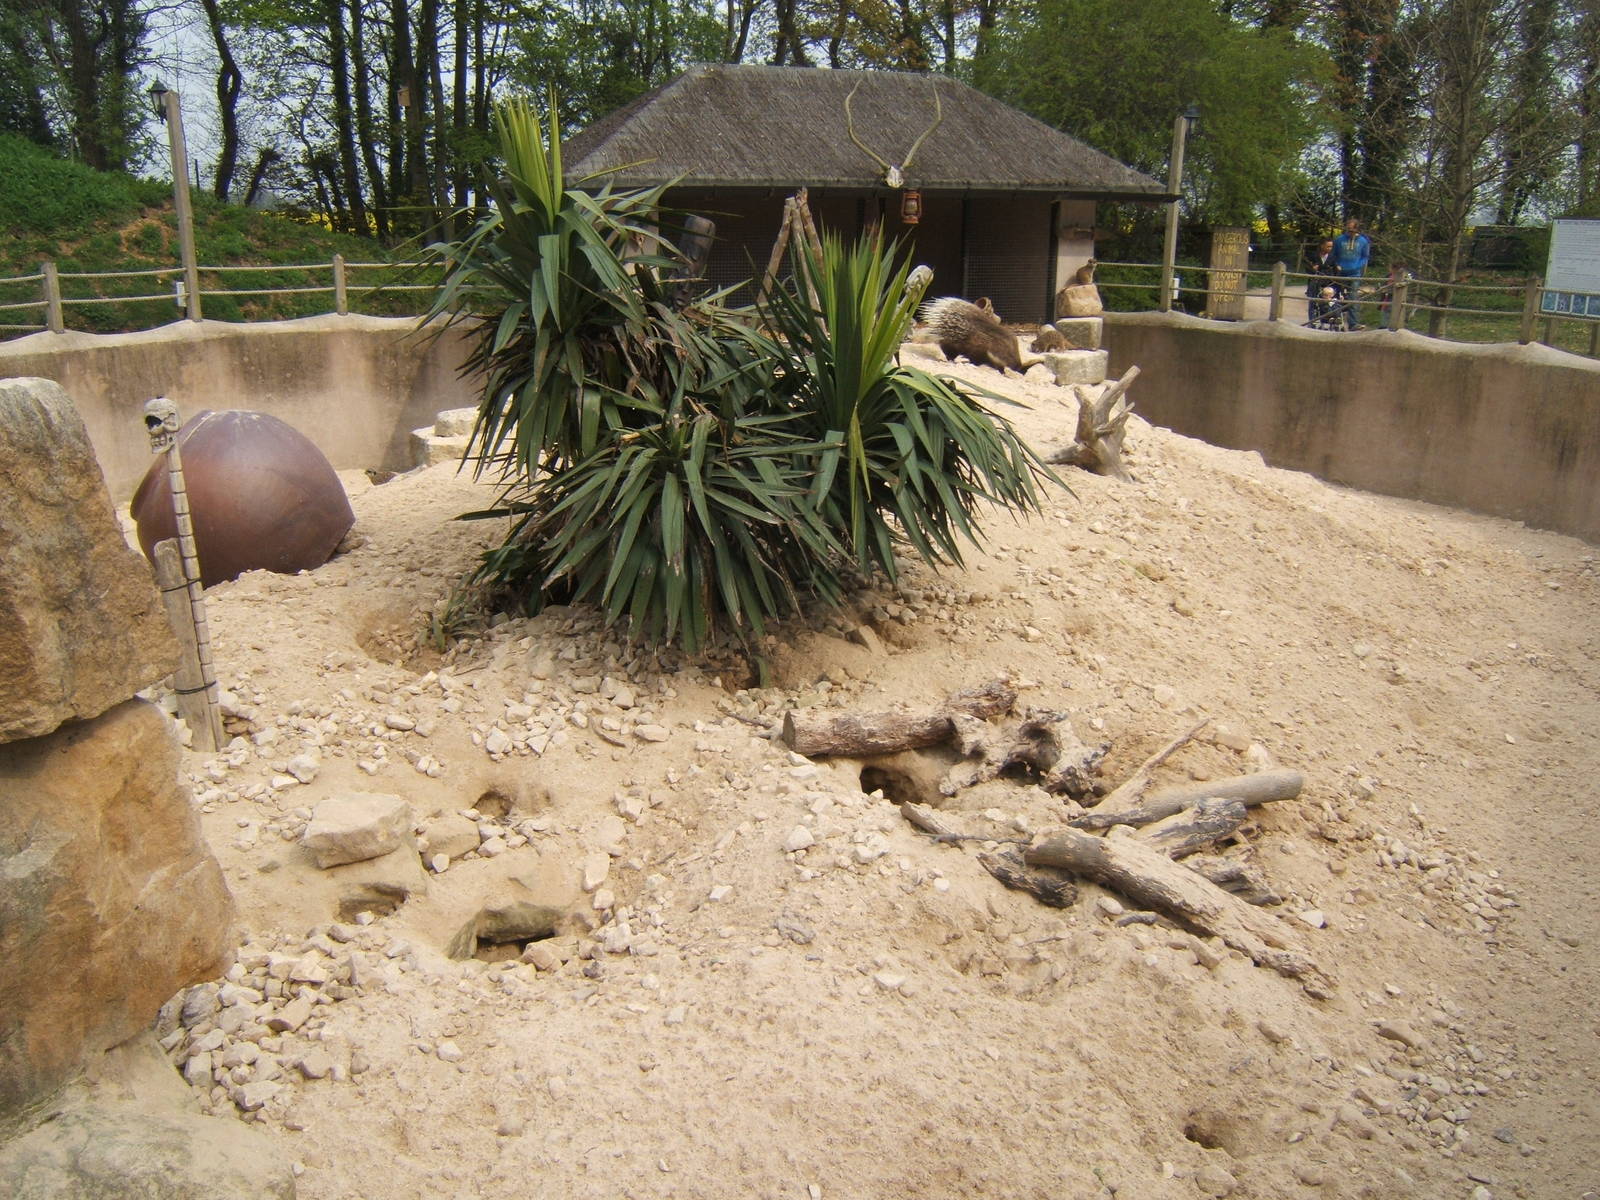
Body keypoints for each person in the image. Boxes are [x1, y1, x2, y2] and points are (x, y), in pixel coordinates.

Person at [1331, 217, 1372, 330]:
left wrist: (1358, 265)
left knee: (1353, 297)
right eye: (1348, 229)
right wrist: (1337, 264)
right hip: (1341, 272)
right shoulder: (1339, 240)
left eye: (1352, 230)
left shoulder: (1363, 241)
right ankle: (1336, 319)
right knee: (1337, 296)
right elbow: (1333, 255)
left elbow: (1365, 257)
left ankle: (1353, 323)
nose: (1350, 232)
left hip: (1355, 273)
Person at [1302, 237, 1340, 327]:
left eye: (1331, 247)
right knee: (1313, 301)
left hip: (1328, 282)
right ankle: (1312, 321)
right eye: (1328, 246)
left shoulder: (1332, 257)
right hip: (1315, 281)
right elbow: (1307, 268)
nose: (1329, 249)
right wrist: (1312, 269)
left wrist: (1338, 270)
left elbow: (1335, 270)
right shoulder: (1313, 256)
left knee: (1330, 300)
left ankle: (1330, 318)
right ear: (1322, 246)